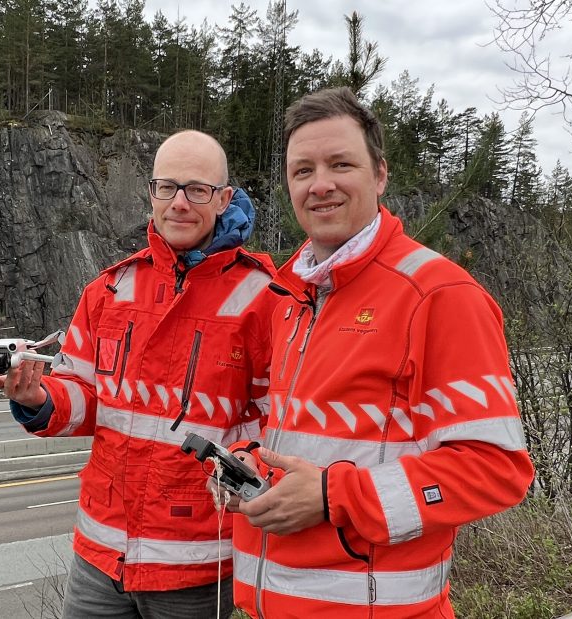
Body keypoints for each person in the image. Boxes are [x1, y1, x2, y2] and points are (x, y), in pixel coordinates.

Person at [226, 88, 535, 618]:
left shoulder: (438, 296)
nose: (320, 184)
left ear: (380, 175)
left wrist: (332, 496)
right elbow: (313, 440)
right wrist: (251, 467)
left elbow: (497, 470)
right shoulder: (291, 298)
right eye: (302, 171)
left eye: (340, 164)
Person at [0, 130, 278, 619]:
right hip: (101, 555)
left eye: (197, 189)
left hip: (197, 560)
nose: (179, 203)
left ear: (225, 198)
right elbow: (83, 395)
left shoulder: (267, 300)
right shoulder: (110, 288)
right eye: (167, 188)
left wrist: (253, 470)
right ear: (151, 194)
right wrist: (38, 398)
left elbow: (285, 423)